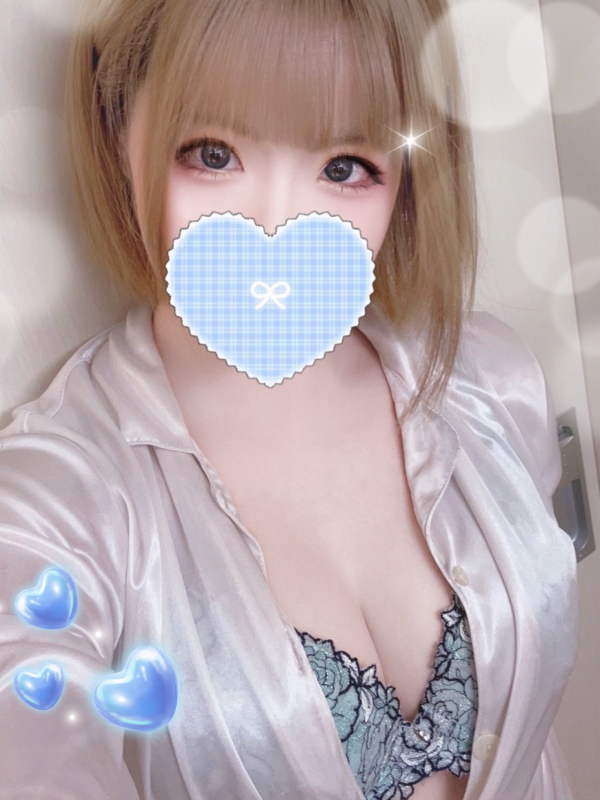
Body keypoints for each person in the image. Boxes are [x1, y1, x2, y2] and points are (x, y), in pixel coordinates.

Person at [0, 1, 579, 799]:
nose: (275, 230)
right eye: (212, 154)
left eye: (344, 168)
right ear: (118, 130)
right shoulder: (51, 505)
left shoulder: (489, 380)